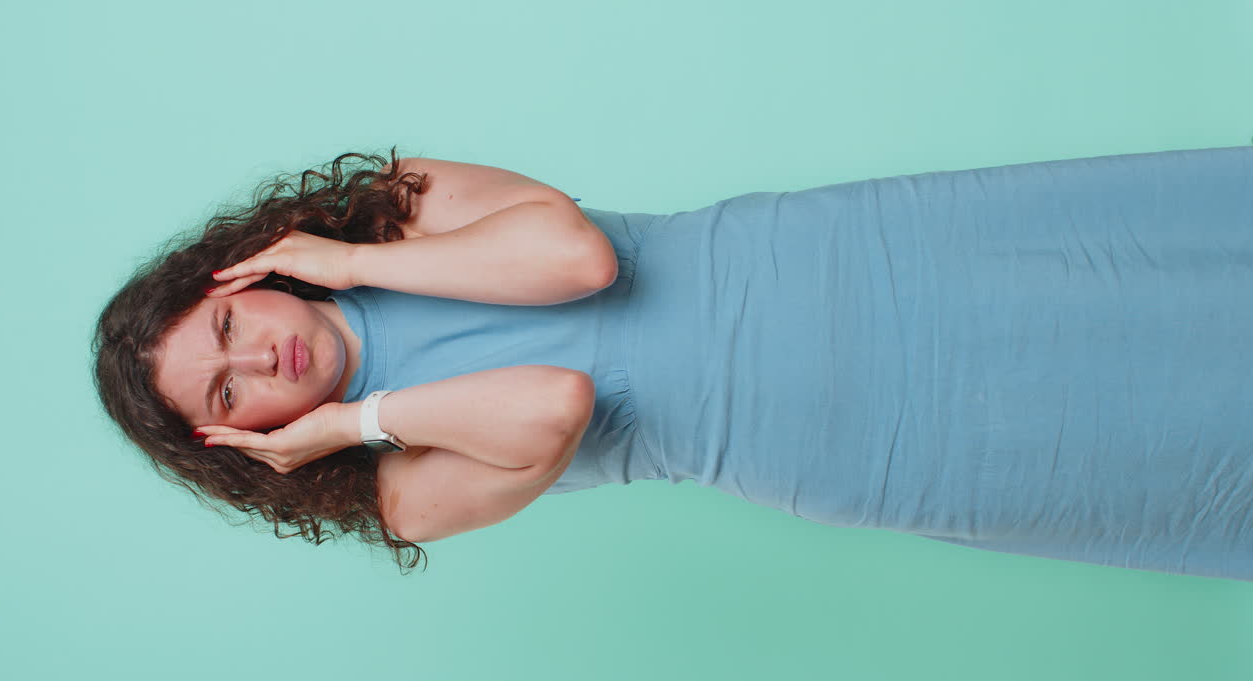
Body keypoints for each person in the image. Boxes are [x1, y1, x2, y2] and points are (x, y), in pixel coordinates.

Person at [94, 145, 1253, 581]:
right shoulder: (390, 486)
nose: (260, 358)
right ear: (235, 436)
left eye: (230, 327)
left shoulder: (389, 213)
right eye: (230, 390)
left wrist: (352, 262)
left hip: (851, 261)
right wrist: (354, 422)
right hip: (842, 439)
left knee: (1134, 263)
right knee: (1136, 444)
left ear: (241, 277)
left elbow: (574, 259)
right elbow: (551, 405)